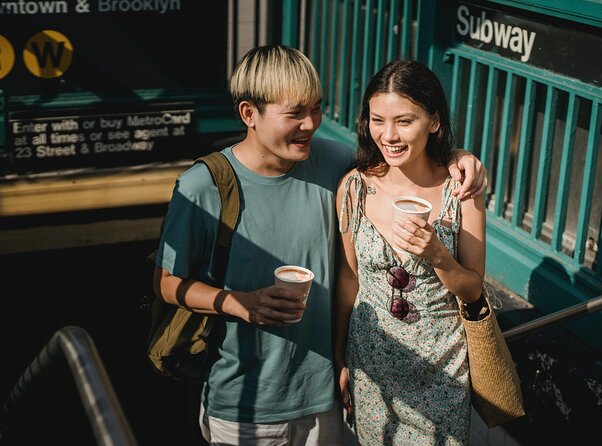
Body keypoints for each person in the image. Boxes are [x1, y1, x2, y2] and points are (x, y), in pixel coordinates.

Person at [154, 45, 486, 445]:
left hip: (326, 395)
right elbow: (167, 283)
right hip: (244, 401)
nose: (310, 124)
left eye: (316, 108)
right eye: (295, 113)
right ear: (249, 114)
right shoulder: (203, 186)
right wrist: (238, 302)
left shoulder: (333, 163)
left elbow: (399, 157)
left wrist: (459, 157)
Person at [335, 59, 487, 445]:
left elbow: (472, 289)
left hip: (442, 373)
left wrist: (437, 254)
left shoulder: (462, 191)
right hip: (372, 368)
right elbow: (350, 278)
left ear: (433, 121)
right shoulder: (354, 189)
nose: (389, 135)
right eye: (377, 120)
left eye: (404, 121)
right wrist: (339, 357)